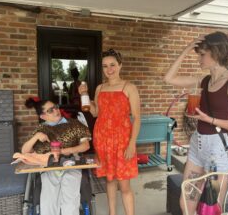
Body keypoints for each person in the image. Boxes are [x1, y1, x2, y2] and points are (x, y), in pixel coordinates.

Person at [164, 31, 228, 215]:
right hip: (198, 145)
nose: (199, 60)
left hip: (217, 150)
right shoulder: (204, 81)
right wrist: (187, 48)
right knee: (186, 204)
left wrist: (209, 119)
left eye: (202, 54)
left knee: (212, 209)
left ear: (216, 52)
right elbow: (169, 78)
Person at [78, 49, 141, 215]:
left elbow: (137, 117)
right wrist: (84, 95)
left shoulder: (129, 87)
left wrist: (132, 144)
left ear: (120, 65)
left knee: (124, 184)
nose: (109, 69)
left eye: (113, 65)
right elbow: (95, 113)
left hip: (122, 140)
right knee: (110, 179)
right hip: (103, 139)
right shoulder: (100, 88)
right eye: (105, 66)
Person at [21, 97, 91, 215]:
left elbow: (86, 145)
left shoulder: (74, 124)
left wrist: (67, 150)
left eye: (55, 107)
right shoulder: (41, 129)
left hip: (71, 165)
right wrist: (36, 137)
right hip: (49, 168)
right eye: (50, 110)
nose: (56, 111)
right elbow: (24, 151)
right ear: (43, 116)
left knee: (70, 200)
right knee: (49, 200)